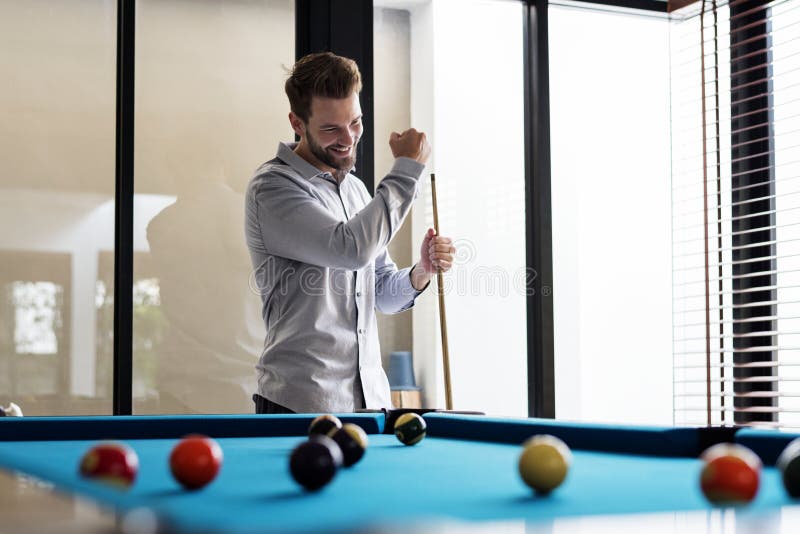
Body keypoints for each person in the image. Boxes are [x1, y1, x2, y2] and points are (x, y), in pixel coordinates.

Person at [244, 52, 455, 414]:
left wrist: (421, 273)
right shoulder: (273, 188)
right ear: (297, 122)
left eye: (355, 122)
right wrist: (407, 169)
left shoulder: (356, 190)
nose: (348, 139)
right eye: (331, 128)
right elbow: (350, 250)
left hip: (369, 404)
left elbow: (383, 295)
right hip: (300, 405)